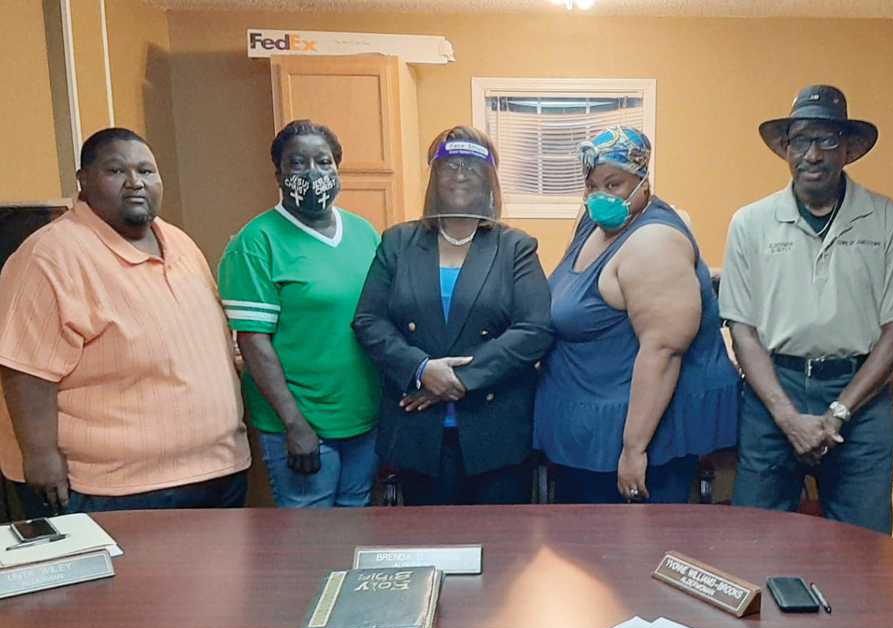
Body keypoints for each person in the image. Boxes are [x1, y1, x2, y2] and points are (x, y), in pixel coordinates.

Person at [0, 128, 251, 514]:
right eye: (116, 171)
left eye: (146, 171)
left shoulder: (179, 242)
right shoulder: (50, 256)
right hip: (114, 490)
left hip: (217, 473)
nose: (135, 182)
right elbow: (24, 371)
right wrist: (40, 458)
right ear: (84, 181)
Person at [720, 85, 893, 534]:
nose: (813, 154)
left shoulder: (889, 220)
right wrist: (787, 417)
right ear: (784, 150)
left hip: (861, 396)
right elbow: (743, 331)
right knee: (755, 539)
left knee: (864, 549)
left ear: (848, 149)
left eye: (827, 140)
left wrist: (839, 414)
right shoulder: (750, 223)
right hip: (774, 392)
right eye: (800, 141)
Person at [534, 126, 739, 504]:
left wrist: (633, 450)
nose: (600, 196)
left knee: (630, 553)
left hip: (635, 440)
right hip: (588, 434)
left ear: (643, 182)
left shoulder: (655, 243)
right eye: (592, 185)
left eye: (614, 184)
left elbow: (663, 352)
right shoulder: (593, 224)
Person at [353, 126, 552, 505]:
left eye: (472, 167)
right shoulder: (398, 242)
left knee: (502, 555)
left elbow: (535, 330)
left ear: (488, 181)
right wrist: (421, 369)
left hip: (497, 435)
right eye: (450, 166)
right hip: (419, 433)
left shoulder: (515, 247)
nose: (460, 175)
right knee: (428, 550)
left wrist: (456, 379)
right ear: (434, 177)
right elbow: (368, 321)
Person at [218, 120, 382, 508]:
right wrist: (295, 425)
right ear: (279, 173)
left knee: (355, 527)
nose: (313, 173)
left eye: (324, 161)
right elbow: (254, 341)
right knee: (310, 541)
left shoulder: (364, 233)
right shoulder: (256, 243)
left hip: (363, 419)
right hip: (302, 424)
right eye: (298, 163)